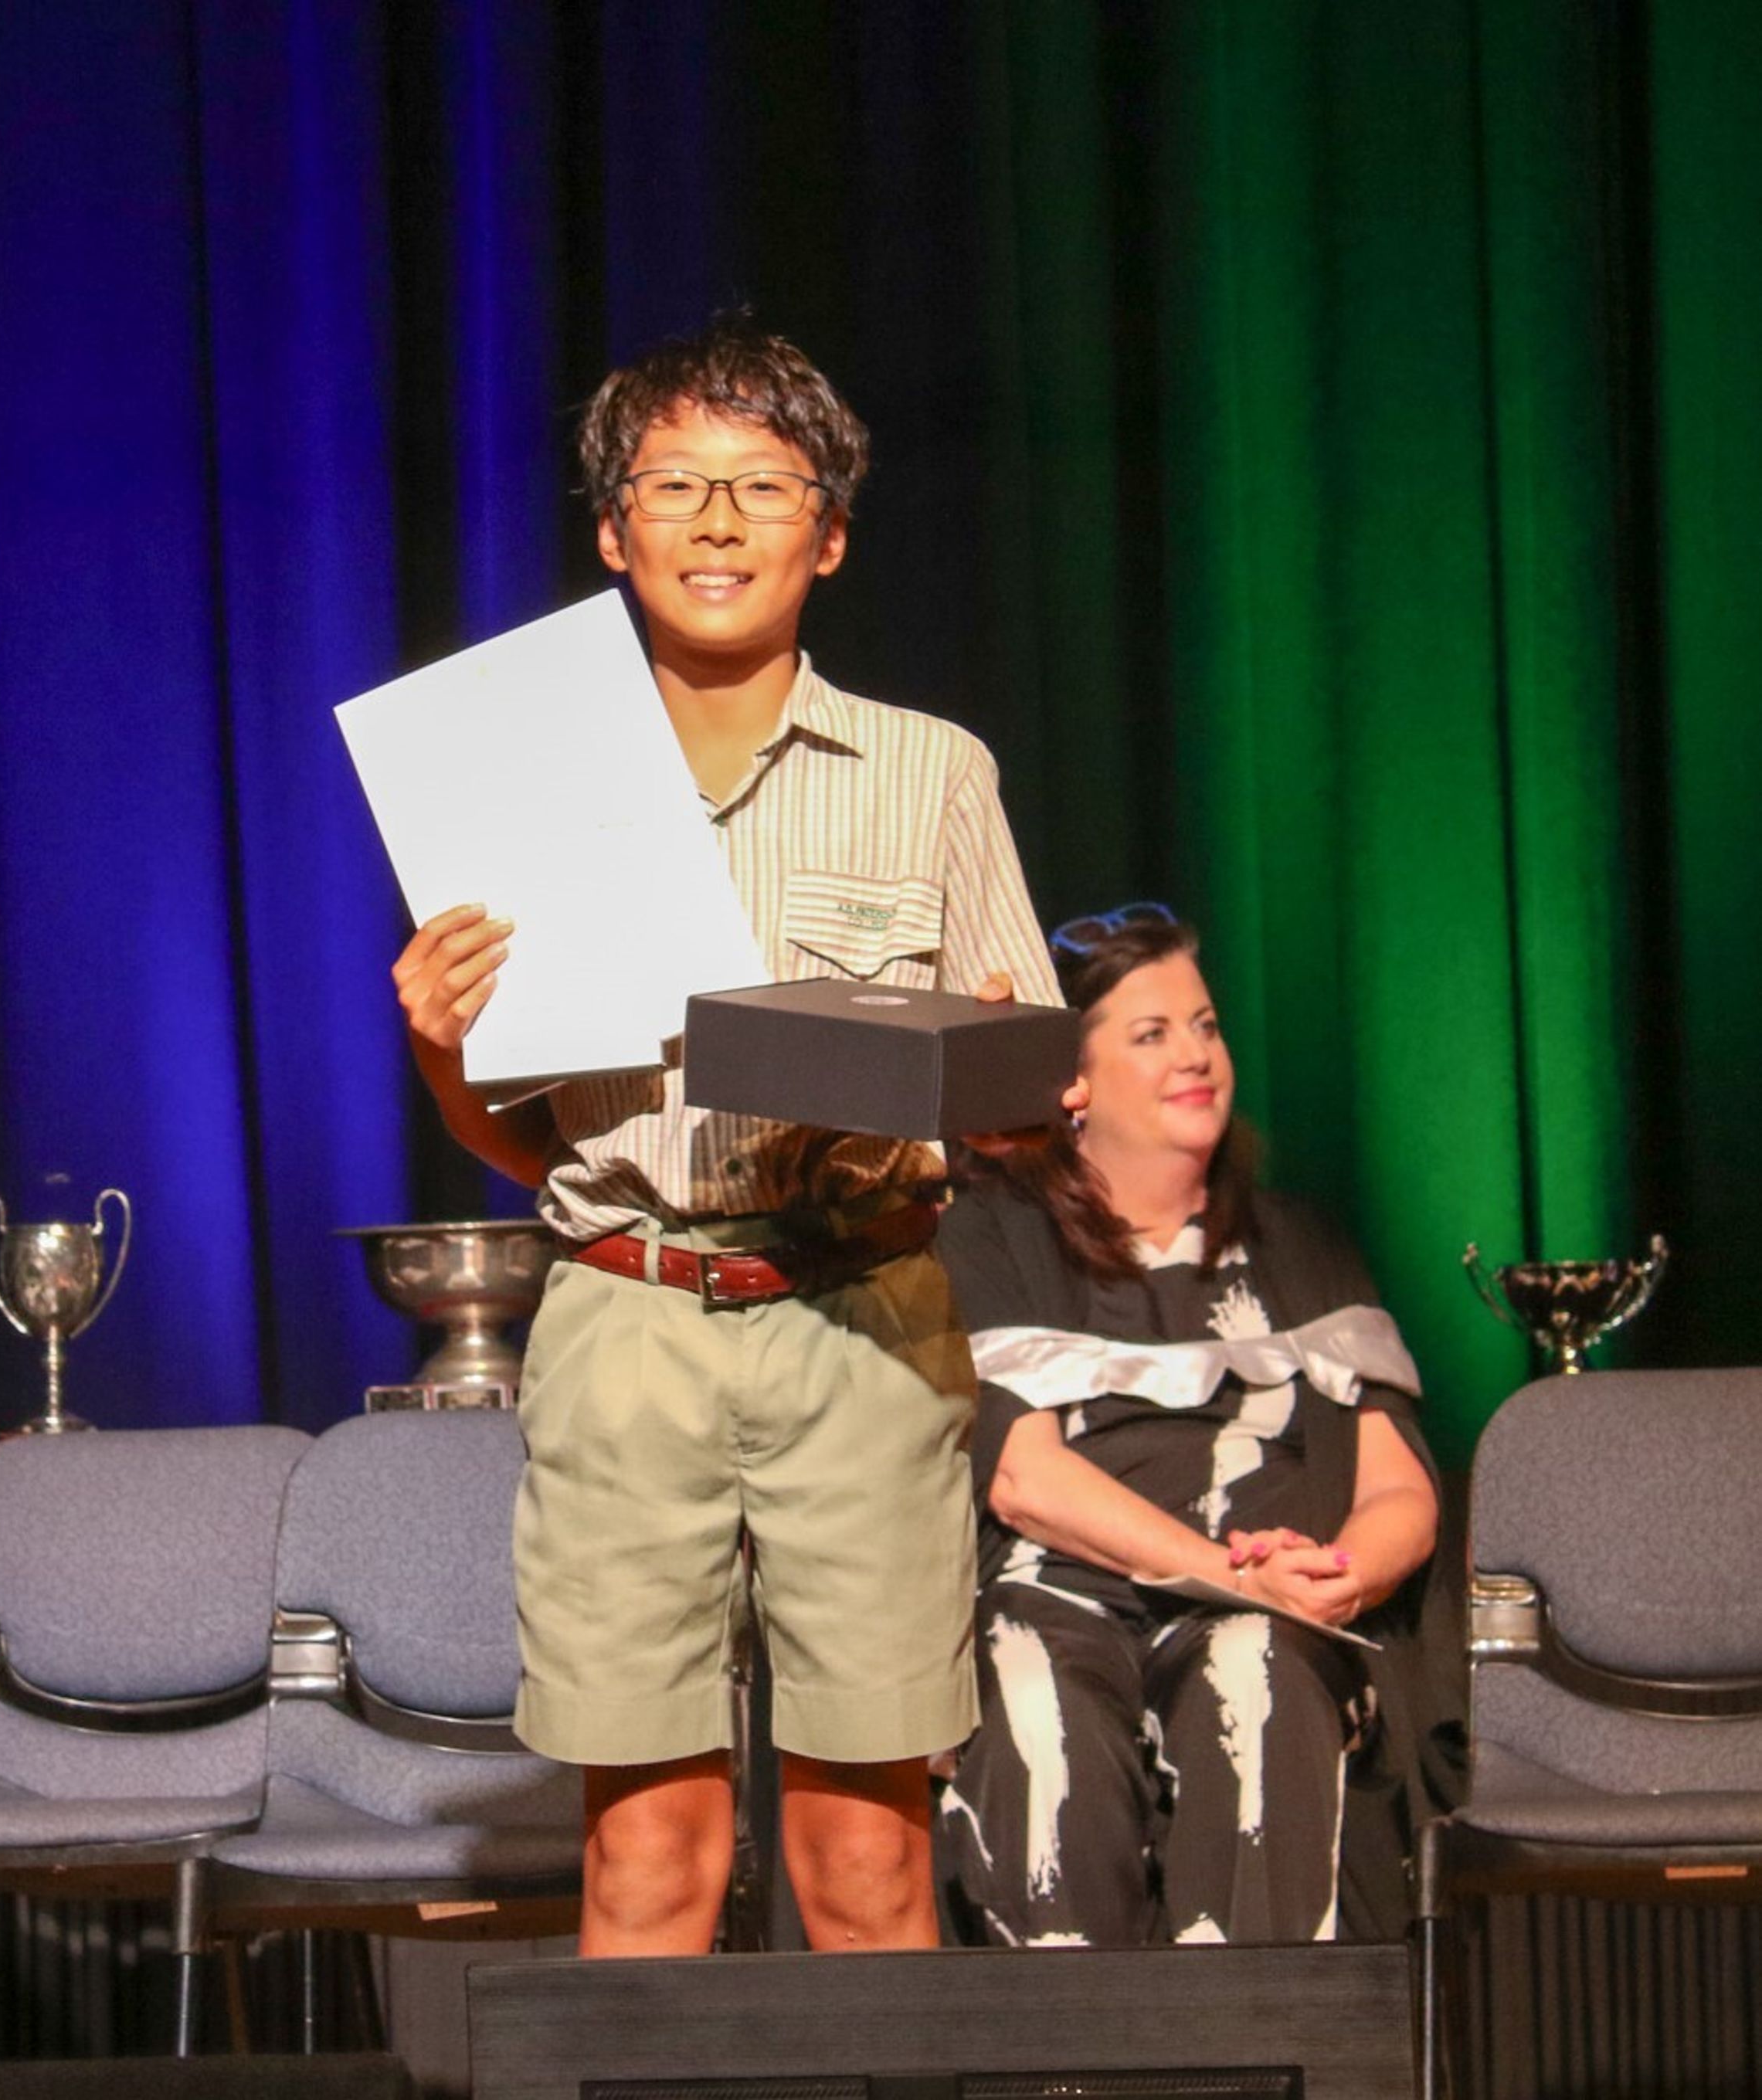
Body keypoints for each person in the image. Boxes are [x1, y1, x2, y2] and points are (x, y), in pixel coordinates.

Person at [392, 319, 1064, 1956]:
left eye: (763, 485)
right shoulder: (522, 781)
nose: (715, 520)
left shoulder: (927, 771)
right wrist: (436, 1039)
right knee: (644, 1859)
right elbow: (510, 1132)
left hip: (861, 1320)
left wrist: (980, 1058)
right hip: (627, 1319)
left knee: (866, 1863)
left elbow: (1031, 1097)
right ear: (612, 532)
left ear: (825, 536)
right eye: (672, 484)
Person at [935, 904, 1439, 1949]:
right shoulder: (994, 1236)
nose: (1196, 1055)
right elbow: (1026, 1480)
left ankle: (1253, 2027)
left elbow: (1399, 1488)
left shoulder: (1300, 1244)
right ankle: (1066, 2035)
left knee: (1256, 1670)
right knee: (1030, 1677)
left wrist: (1340, 1577)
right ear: (1073, 1084)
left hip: (1272, 1607)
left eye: (1205, 1026)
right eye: (1152, 1033)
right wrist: (1227, 1572)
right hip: (1063, 1589)